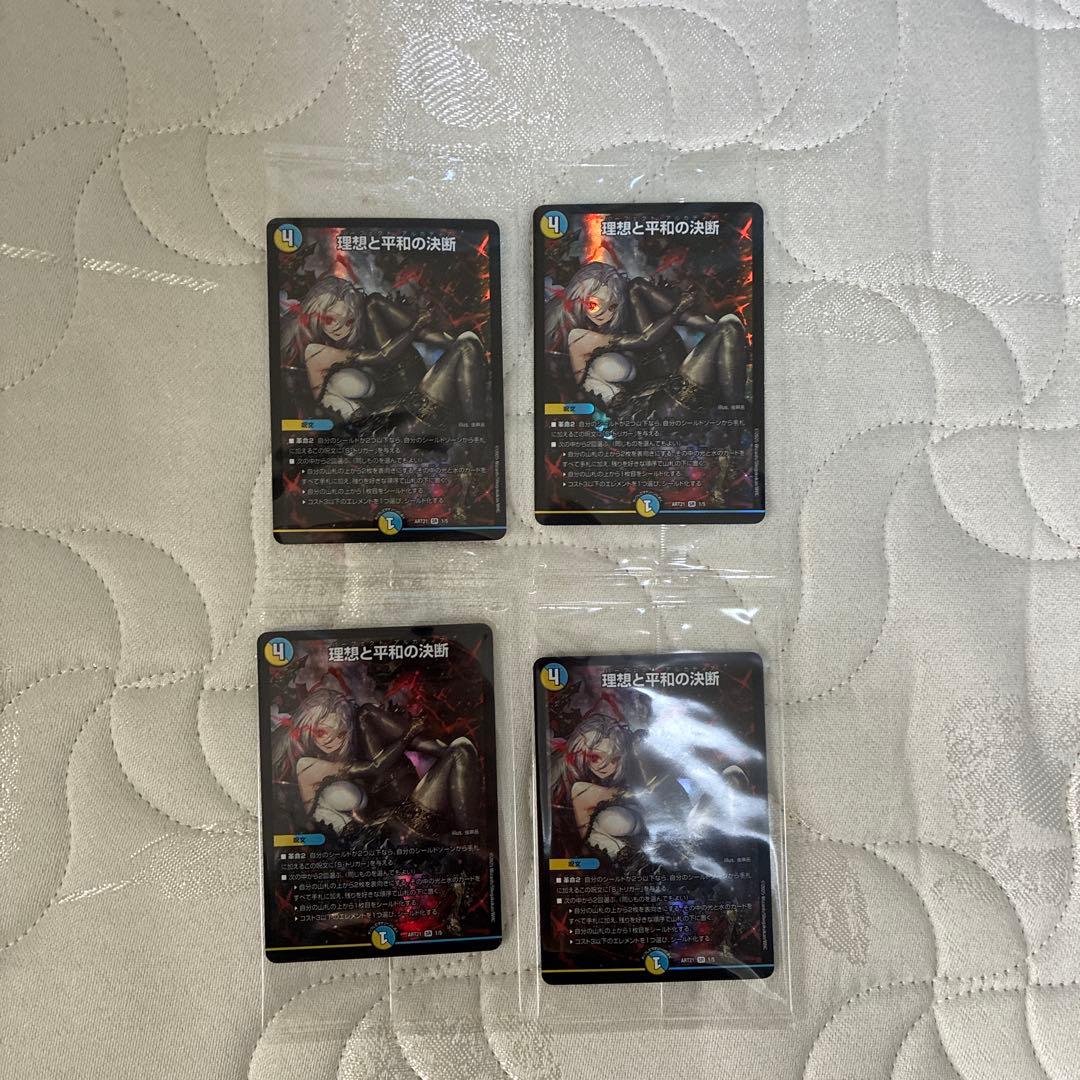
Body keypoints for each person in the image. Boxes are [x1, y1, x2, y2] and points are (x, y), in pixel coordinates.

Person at [544, 261, 748, 423]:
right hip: (652, 414)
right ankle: (736, 421)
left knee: (636, 287)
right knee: (729, 326)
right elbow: (645, 339)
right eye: (594, 305)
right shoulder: (579, 338)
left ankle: (715, 333)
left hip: (658, 394)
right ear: (580, 299)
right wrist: (677, 310)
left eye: (612, 306)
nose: (605, 314)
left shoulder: (604, 334)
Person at [282, 274, 488, 431]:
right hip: (396, 421)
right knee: (467, 344)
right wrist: (416, 326)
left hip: (401, 405)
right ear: (317, 316)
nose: (340, 328)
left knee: (374, 304)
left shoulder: (340, 347)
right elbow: (383, 356)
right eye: (330, 320)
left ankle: (476, 434)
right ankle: (477, 437)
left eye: (349, 321)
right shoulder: (317, 353)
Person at [273, 686, 480, 843]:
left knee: (460, 748)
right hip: (384, 840)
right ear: (309, 729)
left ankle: (470, 840)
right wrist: (408, 734)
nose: (332, 741)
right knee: (460, 750)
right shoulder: (307, 766)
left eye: (341, 734)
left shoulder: (342, 758)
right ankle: (471, 843)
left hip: (390, 828)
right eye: (322, 732)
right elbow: (375, 767)